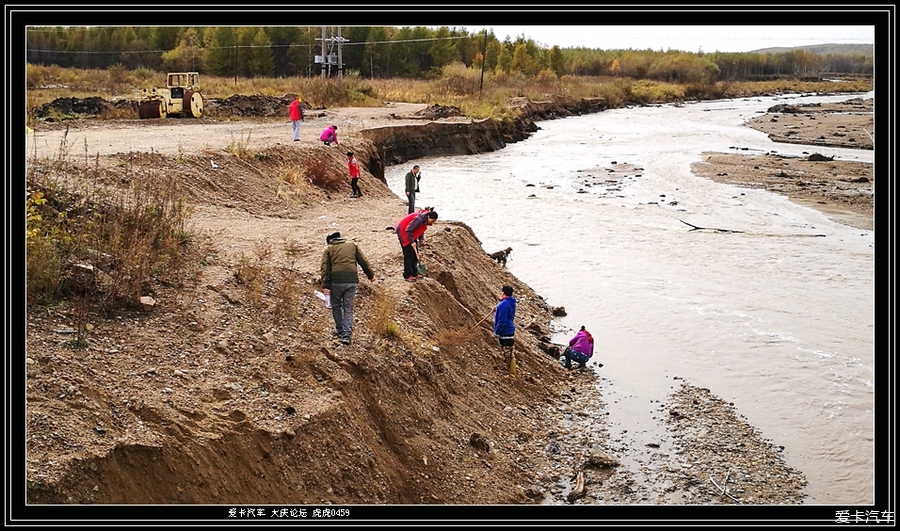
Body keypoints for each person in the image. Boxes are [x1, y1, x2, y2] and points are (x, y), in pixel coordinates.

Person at [320, 231, 375, 345]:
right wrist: (371, 275)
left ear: (330, 241)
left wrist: (325, 286)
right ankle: (346, 335)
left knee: (336, 306)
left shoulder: (328, 249)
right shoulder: (352, 245)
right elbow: (363, 261)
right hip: (351, 281)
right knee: (348, 308)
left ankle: (340, 330)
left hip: (336, 281)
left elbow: (325, 269)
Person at [394, 207, 437, 282]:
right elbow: (408, 230)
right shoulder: (419, 220)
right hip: (403, 232)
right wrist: (412, 242)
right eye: (432, 221)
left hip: (411, 235)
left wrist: (421, 239)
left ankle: (414, 273)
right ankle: (407, 275)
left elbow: (420, 229)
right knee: (408, 255)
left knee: (415, 254)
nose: (432, 223)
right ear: (428, 217)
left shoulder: (424, 219)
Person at [493, 285, 517, 370]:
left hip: (505, 332)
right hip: (510, 330)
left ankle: (511, 374)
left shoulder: (503, 304)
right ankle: (512, 372)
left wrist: (497, 332)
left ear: (503, 292)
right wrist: (497, 309)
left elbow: (502, 321)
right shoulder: (511, 302)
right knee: (510, 352)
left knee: (507, 354)